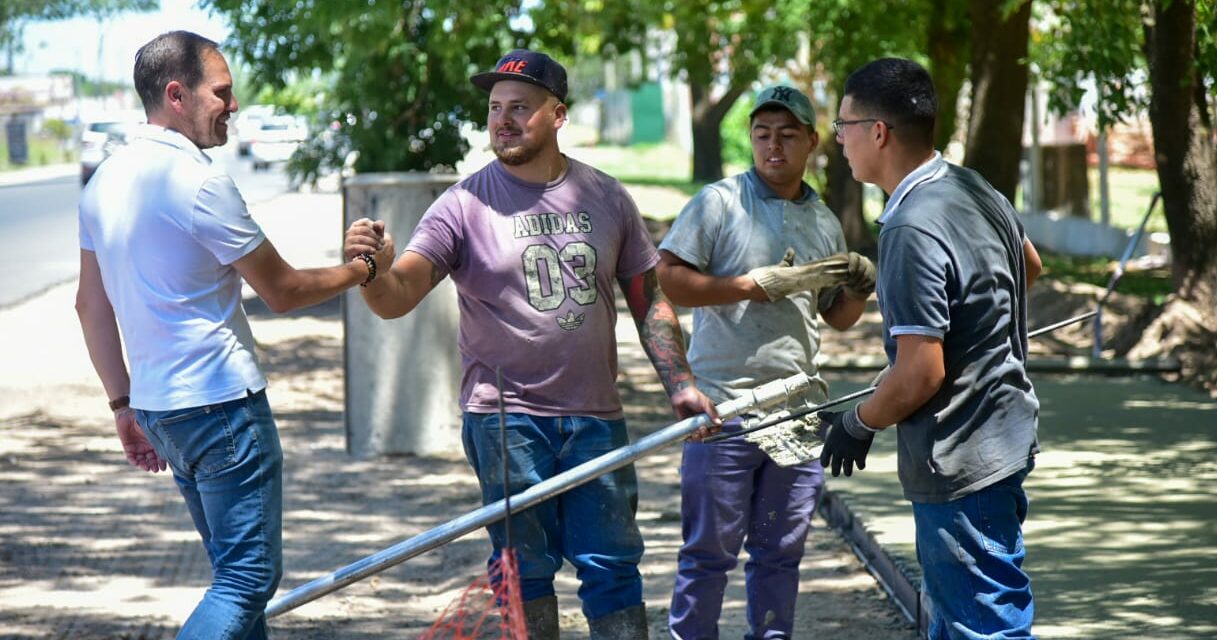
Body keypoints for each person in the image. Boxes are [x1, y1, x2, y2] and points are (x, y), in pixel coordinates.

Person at [342, 49, 716, 640]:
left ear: (558, 114)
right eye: (495, 108)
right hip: (505, 423)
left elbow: (650, 301)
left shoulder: (607, 197)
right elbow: (398, 296)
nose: (503, 120)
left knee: (613, 566)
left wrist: (683, 384)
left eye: (520, 107)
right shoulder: (463, 206)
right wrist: (372, 271)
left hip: (597, 418)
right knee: (524, 572)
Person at [75, 31, 392, 639]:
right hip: (220, 407)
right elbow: (284, 290)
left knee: (231, 579)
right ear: (176, 94)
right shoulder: (195, 182)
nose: (234, 104)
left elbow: (90, 305)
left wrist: (122, 405)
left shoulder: (103, 182)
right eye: (221, 92)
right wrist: (364, 270)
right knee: (247, 579)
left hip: (160, 408)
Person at [818, 58, 1043, 639]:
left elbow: (919, 373)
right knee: (956, 619)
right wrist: (978, 332)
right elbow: (1029, 267)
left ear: (878, 132)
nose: (837, 138)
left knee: (984, 628)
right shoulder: (971, 185)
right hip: (1003, 435)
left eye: (843, 125)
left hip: (962, 456)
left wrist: (859, 421)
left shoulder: (909, 227)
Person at [656, 84, 876, 639]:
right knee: (708, 552)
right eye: (762, 135)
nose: (773, 146)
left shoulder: (823, 220)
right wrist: (748, 288)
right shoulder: (720, 203)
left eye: (787, 135)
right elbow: (669, 281)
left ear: (812, 141)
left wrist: (858, 290)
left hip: (796, 414)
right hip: (722, 409)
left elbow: (835, 317)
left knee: (780, 550)